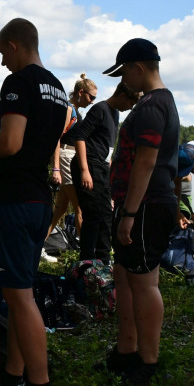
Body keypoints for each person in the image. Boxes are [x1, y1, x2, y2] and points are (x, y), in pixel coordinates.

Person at [0, 18, 69, 386]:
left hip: (13, 202)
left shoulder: (17, 83)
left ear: (13, 45)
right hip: (38, 201)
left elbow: (10, 145)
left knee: (19, 296)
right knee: (20, 290)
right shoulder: (57, 88)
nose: (1, 64)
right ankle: (13, 377)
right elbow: (27, 142)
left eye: (1, 54)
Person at [100, 38, 179, 386]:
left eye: (124, 72)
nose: (123, 81)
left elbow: (146, 162)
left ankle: (148, 362)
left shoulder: (150, 106)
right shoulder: (157, 102)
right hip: (140, 205)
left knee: (144, 282)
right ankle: (126, 350)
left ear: (139, 68)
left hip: (146, 206)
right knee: (125, 274)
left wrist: (129, 212)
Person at [71, 83, 140, 262]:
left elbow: (108, 145)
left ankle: (103, 259)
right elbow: (79, 136)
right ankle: (87, 261)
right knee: (93, 214)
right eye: (131, 103)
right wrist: (84, 170)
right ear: (123, 95)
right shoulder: (99, 109)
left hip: (102, 167)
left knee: (106, 215)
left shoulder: (115, 113)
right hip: (89, 165)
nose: (130, 108)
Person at [47, 74, 98, 250]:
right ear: (80, 92)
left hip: (70, 157)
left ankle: (38, 247)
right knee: (80, 208)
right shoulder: (69, 109)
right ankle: (88, 255)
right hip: (66, 157)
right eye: (91, 97)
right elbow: (55, 137)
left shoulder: (75, 110)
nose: (92, 102)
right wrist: (56, 168)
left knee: (60, 210)